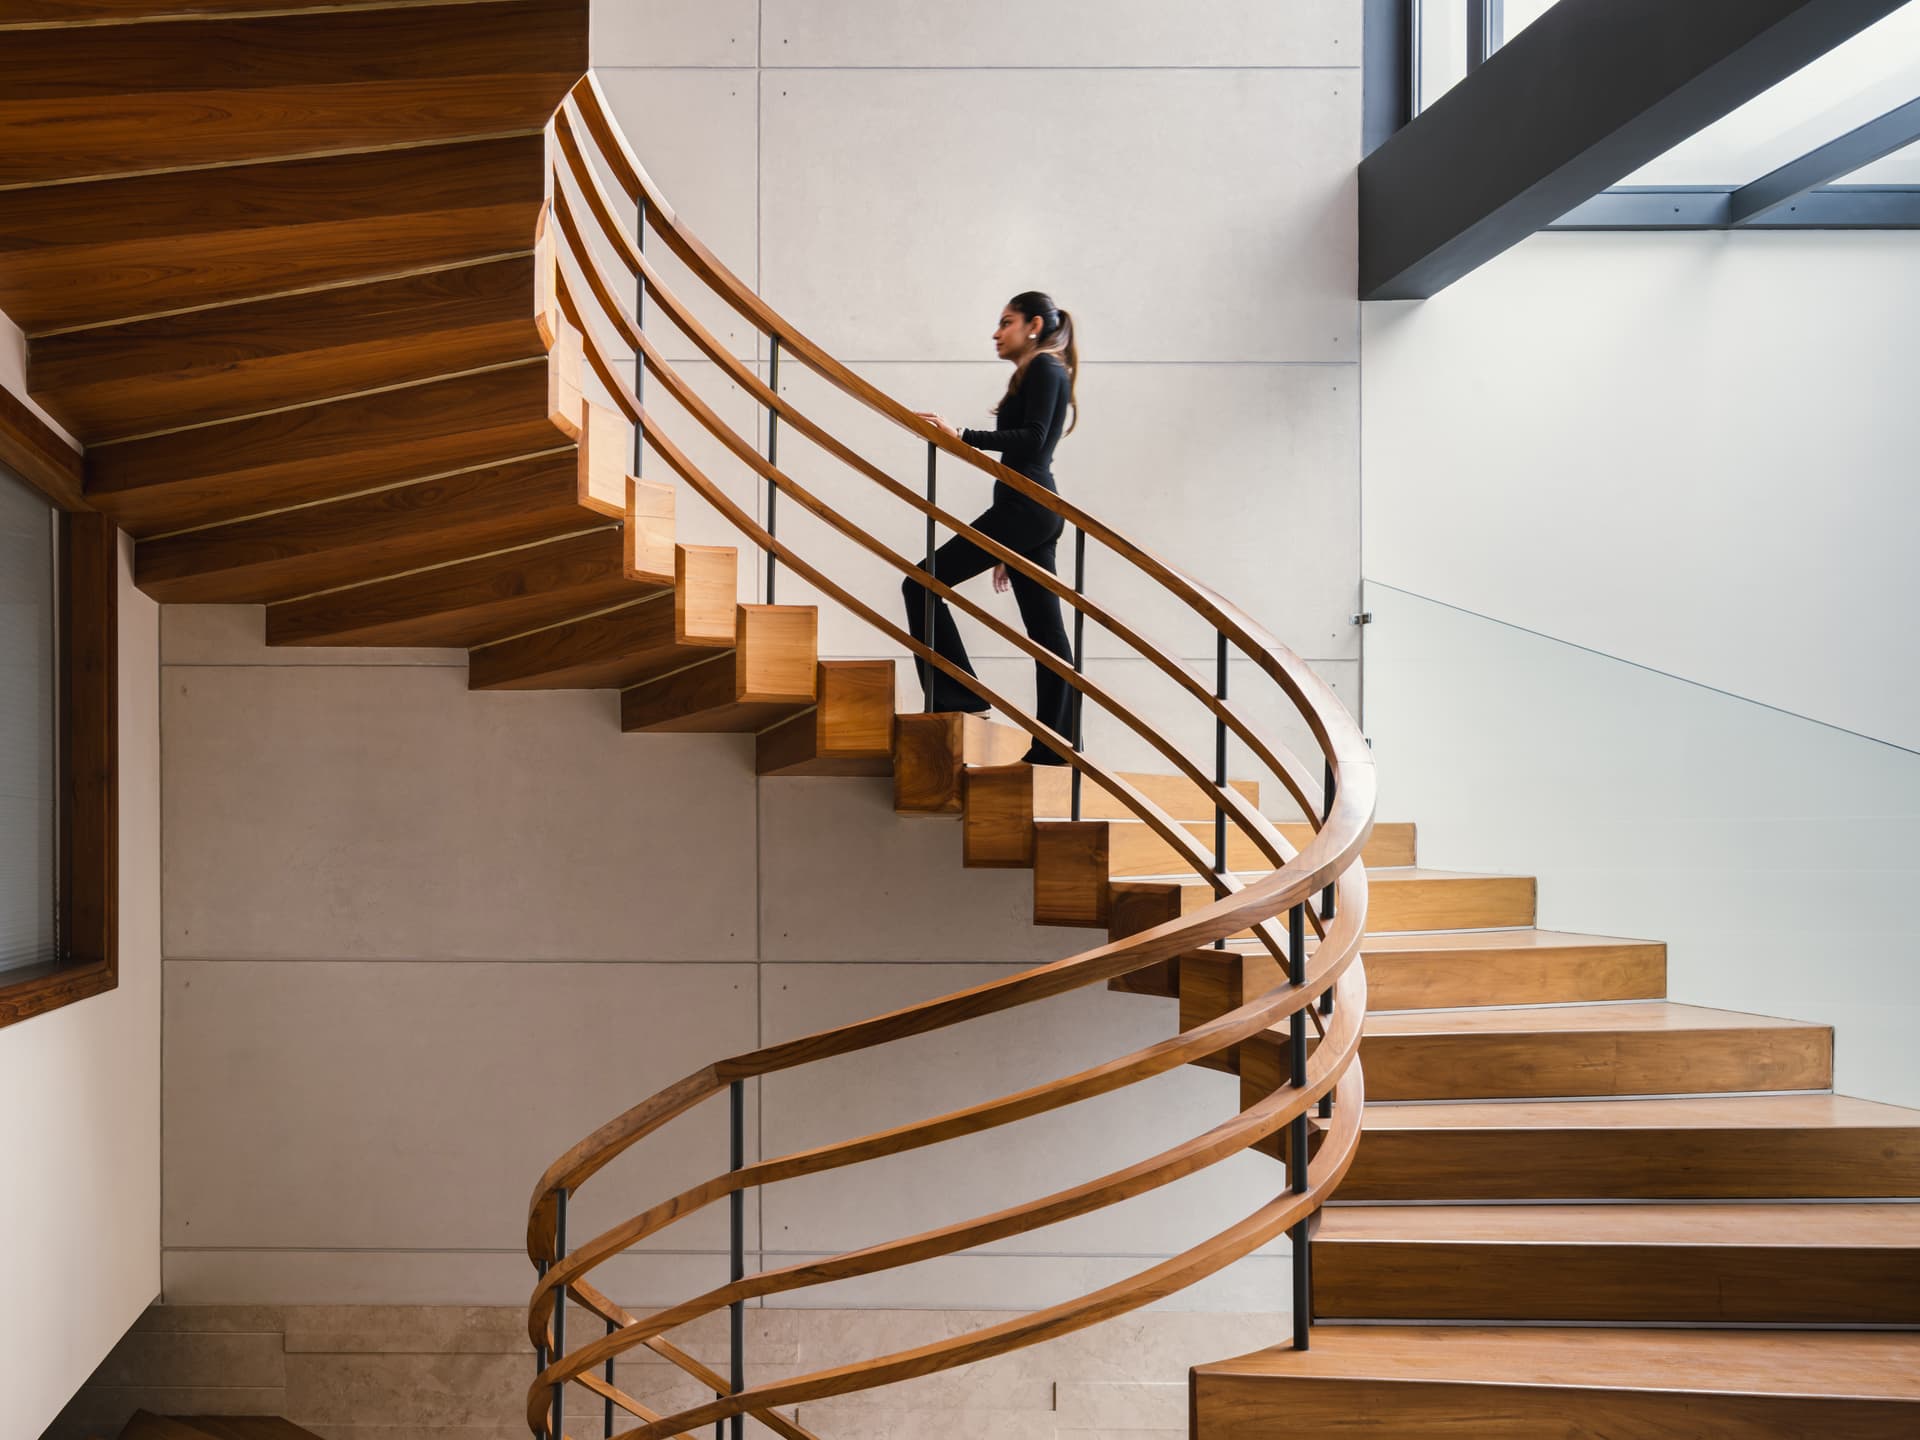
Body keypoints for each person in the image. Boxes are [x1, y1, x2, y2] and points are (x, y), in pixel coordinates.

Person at [908, 290, 1079, 765]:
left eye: (1007, 322)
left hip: (1025, 508)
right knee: (1046, 633)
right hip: (1028, 509)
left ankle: (960, 698)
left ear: (1034, 326)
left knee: (920, 582)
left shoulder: (1046, 368)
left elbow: (1033, 440)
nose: (996, 332)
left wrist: (959, 435)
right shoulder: (1040, 370)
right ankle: (1056, 747)